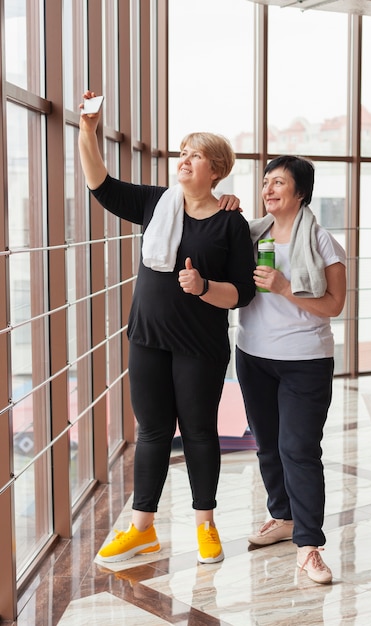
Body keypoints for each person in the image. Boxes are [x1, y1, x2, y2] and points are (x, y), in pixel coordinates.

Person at [78, 91, 256, 564]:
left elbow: (242, 292)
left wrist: (201, 287)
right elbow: (101, 185)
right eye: (182, 152)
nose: (184, 160)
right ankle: (142, 529)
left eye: (195, 155)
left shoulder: (231, 223)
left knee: (199, 431)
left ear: (216, 169)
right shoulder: (159, 204)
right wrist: (88, 132)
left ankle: (206, 524)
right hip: (147, 338)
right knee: (153, 430)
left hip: (200, 345)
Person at [236, 155, 346, 584]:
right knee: (266, 445)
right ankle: (281, 518)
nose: (268, 189)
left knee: (298, 449)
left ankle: (310, 546)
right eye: (265, 182)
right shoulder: (250, 235)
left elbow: (334, 306)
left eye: (278, 182)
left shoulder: (321, 242)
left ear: (300, 191)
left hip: (306, 361)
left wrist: (285, 287)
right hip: (253, 355)